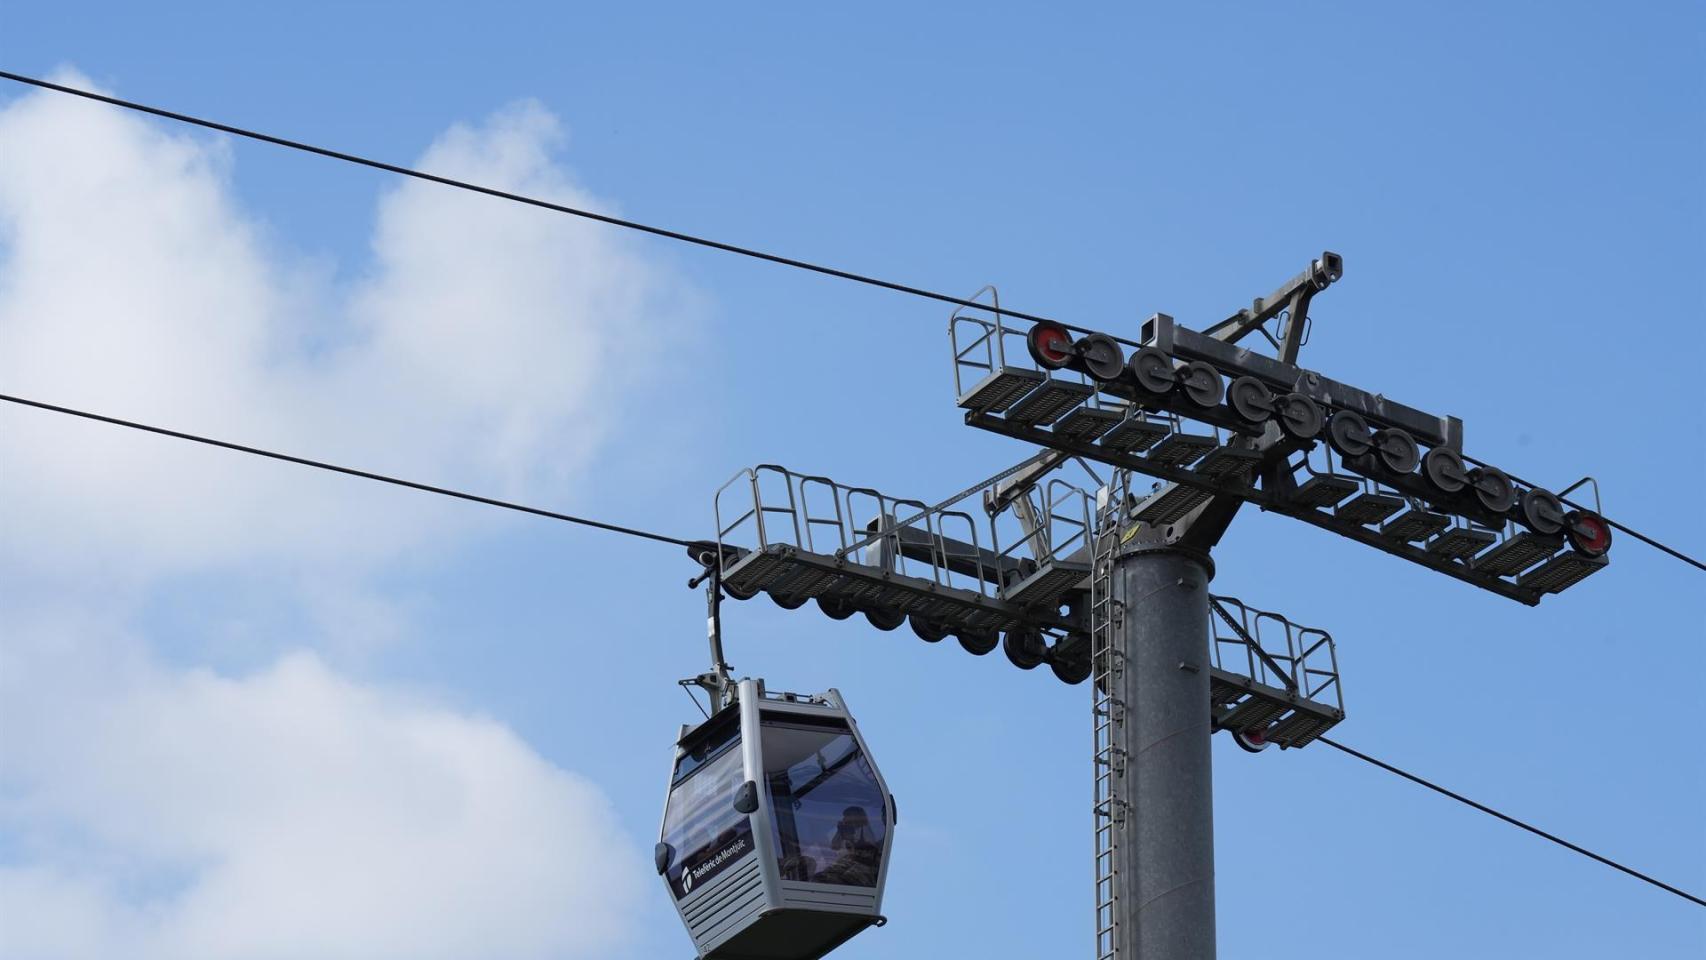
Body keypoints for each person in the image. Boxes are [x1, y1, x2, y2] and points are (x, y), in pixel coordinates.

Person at [814, 805, 879, 886]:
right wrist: (840, 831)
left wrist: (852, 840)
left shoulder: (865, 831)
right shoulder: (845, 829)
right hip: (846, 863)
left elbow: (868, 852)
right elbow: (835, 846)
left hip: (859, 866)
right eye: (845, 817)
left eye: (848, 816)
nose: (845, 819)